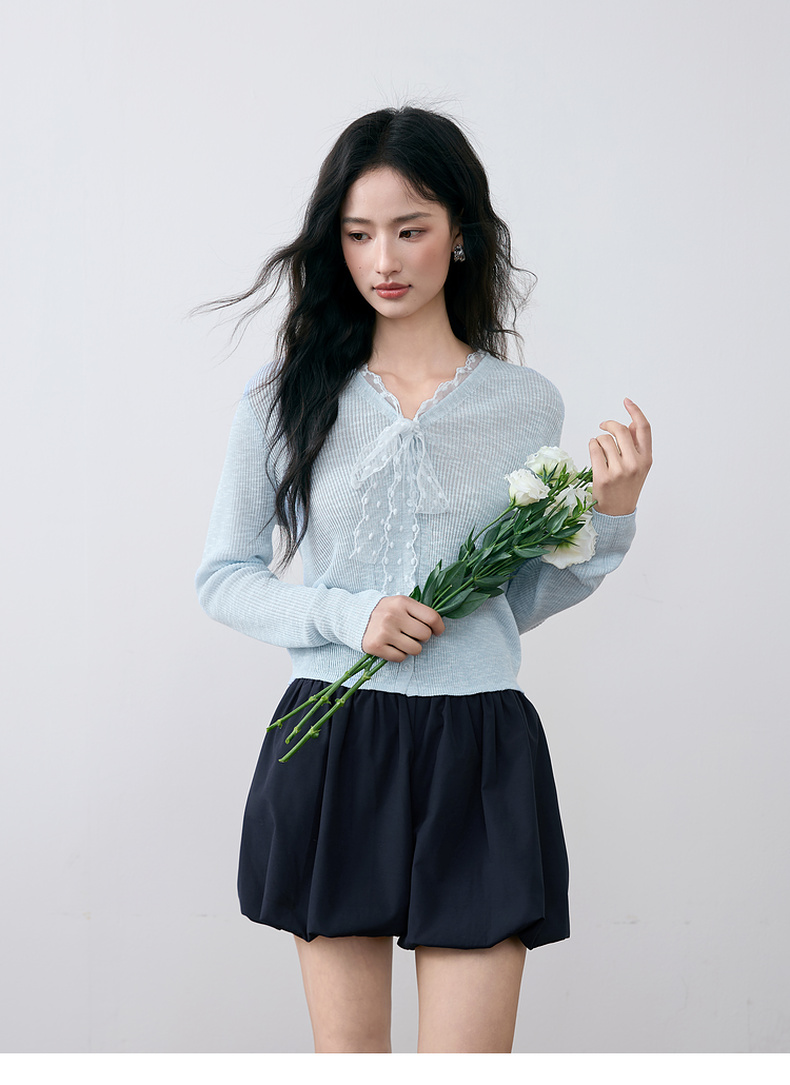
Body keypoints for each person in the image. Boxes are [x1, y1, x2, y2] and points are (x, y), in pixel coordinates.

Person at [195, 105, 652, 1054]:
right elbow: (224, 576)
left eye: (410, 230)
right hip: (334, 736)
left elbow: (515, 601)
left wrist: (610, 518)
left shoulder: (525, 405)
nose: (384, 260)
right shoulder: (284, 397)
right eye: (359, 234)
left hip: (478, 747)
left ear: (461, 233)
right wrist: (347, 614)